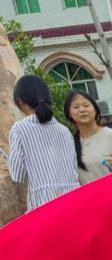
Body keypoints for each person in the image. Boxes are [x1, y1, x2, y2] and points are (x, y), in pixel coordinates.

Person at [6, 74, 79, 210]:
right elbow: (74, 170)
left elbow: (17, 176)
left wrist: (7, 158)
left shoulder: (20, 129)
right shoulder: (64, 130)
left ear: (20, 101)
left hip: (44, 206)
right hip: (73, 201)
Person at [63, 90, 112, 184]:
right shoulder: (69, 144)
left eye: (86, 105)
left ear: (95, 110)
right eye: (76, 107)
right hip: (91, 198)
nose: (82, 110)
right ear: (69, 114)